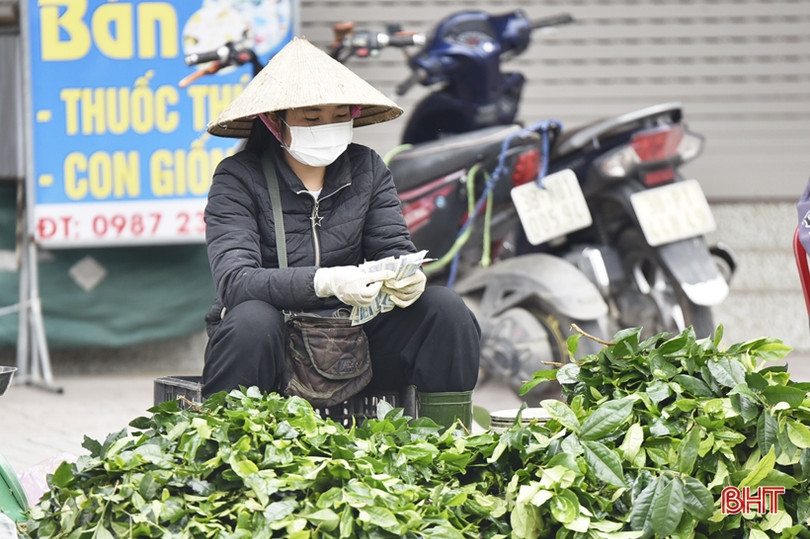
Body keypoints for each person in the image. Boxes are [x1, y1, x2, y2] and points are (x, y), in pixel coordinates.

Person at [200, 37, 481, 427]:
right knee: (251, 321)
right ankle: (229, 451)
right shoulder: (237, 177)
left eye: (338, 116)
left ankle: (450, 444)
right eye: (312, 118)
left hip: (353, 343)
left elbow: (393, 247)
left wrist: (406, 277)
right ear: (274, 121)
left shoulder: (367, 167)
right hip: (276, 349)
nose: (327, 127)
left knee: (446, 310)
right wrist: (326, 281)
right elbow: (236, 282)